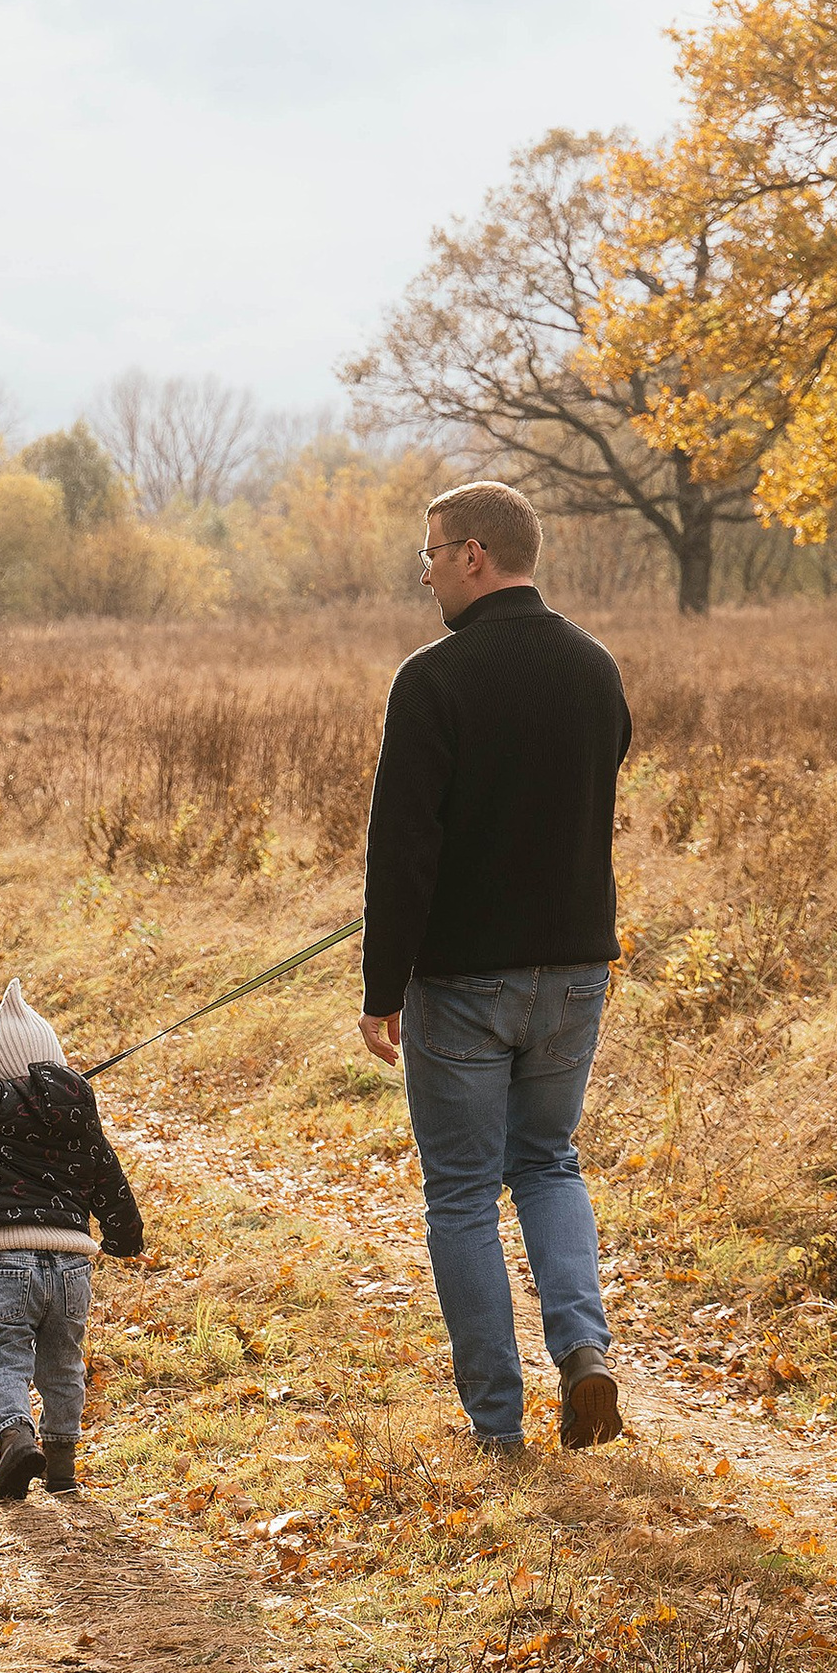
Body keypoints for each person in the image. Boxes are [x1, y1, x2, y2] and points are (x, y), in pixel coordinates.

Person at [358, 481, 632, 1455]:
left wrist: (380, 989)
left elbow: (402, 852)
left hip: (465, 982)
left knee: (465, 1192)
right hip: (573, 972)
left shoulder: (432, 680)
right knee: (548, 1162)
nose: (423, 570)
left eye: (429, 552)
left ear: (474, 554)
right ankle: (584, 1351)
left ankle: (497, 1424)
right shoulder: (594, 669)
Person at [0, 976, 145, 1502]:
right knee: (63, 1363)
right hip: (72, 1264)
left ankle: (15, 1439)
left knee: (2, 1358)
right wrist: (122, 1236)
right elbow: (109, 1181)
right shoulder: (81, 1118)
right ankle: (63, 1467)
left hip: (7, 1257)